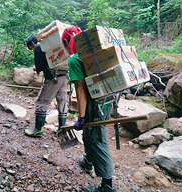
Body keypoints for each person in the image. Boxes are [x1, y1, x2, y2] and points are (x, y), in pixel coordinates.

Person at [61, 26, 115, 192]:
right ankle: (87, 161)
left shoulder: (75, 59)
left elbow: (81, 89)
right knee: (90, 135)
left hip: (94, 106)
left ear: (66, 42)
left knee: (97, 140)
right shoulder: (94, 55)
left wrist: (81, 117)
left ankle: (107, 186)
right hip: (108, 102)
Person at [24, 35, 68, 137]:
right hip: (63, 76)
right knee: (62, 101)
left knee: (42, 101)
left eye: (30, 47)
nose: (32, 49)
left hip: (53, 78)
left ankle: (38, 130)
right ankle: (62, 130)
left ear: (32, 43)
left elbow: (39, 65)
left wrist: (37, 69)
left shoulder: (38, 47)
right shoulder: (49, 46)